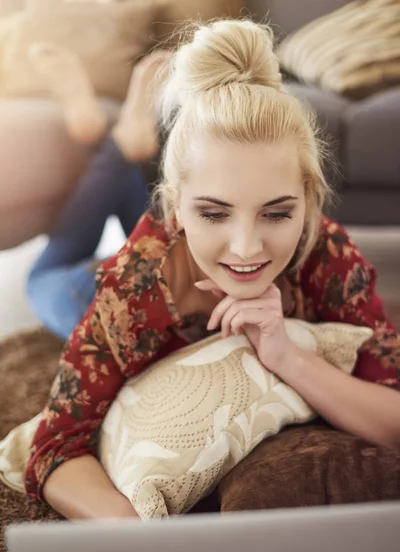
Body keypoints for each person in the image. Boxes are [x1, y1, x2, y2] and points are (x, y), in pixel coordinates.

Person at [24, 19, 400, 520]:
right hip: (80, 291)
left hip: (184, 225)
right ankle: (115, 148)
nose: (247, 249)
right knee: (46, 275)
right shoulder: (133, 289)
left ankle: (128, 147)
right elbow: (53, 449)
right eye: (214, 213)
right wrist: (148, 541)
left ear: (309, 203)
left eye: (277, 212)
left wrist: (286, 355)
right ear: (177, 209)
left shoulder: (326, 255)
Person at [26, 44, 171, 339]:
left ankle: (107, 145)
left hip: (120, 295)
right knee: (41, 278)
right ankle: (112, 147)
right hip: (159, 271)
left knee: (38, 279)